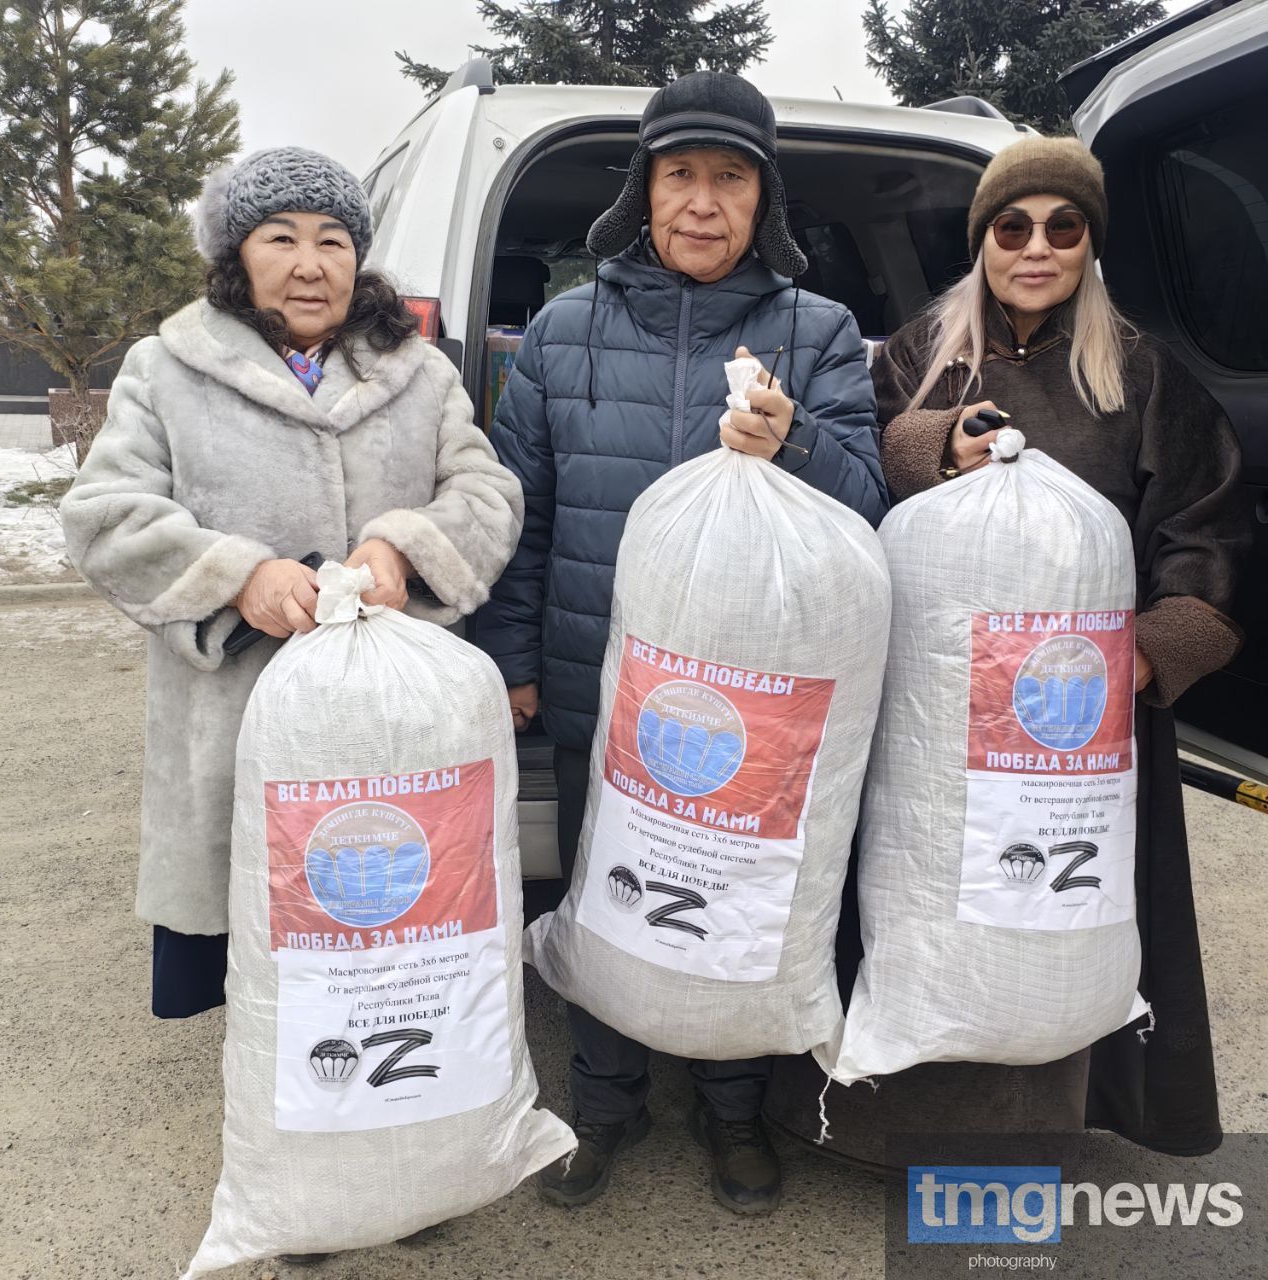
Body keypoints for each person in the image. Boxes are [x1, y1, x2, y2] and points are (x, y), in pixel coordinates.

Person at [765, 136, 1248, 1163]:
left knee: (1042, 917)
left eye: (1062, 228)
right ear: (982, 238)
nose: (1036, 248)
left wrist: (1152, 653)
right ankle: (884, 1130)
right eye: (1012, 226)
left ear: (1089, 244)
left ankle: (1020, 1139)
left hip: (1068, 722)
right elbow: (850, 474)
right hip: (928, 707)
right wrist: (932, 448)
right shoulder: (918, 353)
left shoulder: (1139, 373)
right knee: (915, 900)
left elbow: (1204, 528)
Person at [474, 71, 888, 1215]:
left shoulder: (814, 333)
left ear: (764, 200)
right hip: (595, 682)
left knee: (739, 902)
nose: (703, 202)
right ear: (642, 193)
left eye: (730, 178)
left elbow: (867, 505)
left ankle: (731, 1107)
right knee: (607, 893)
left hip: (755, 697)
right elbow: (519, 514)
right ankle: (602, 1103)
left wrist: (795, 443)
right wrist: (511, 658)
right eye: (679, 175)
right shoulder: (563, 331)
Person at [61, 146, 523, 1022]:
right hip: (236, 716)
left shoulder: (418, 372)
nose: (310, 264)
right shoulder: (168, 369)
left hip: (396, 717)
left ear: (358, 258)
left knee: (393, 929)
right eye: (281, 238)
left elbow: (488, 494)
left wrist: (404, 549)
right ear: (238, 256)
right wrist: (239, 578)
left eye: (332, 241)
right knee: (265, 965)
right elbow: (106, 515)